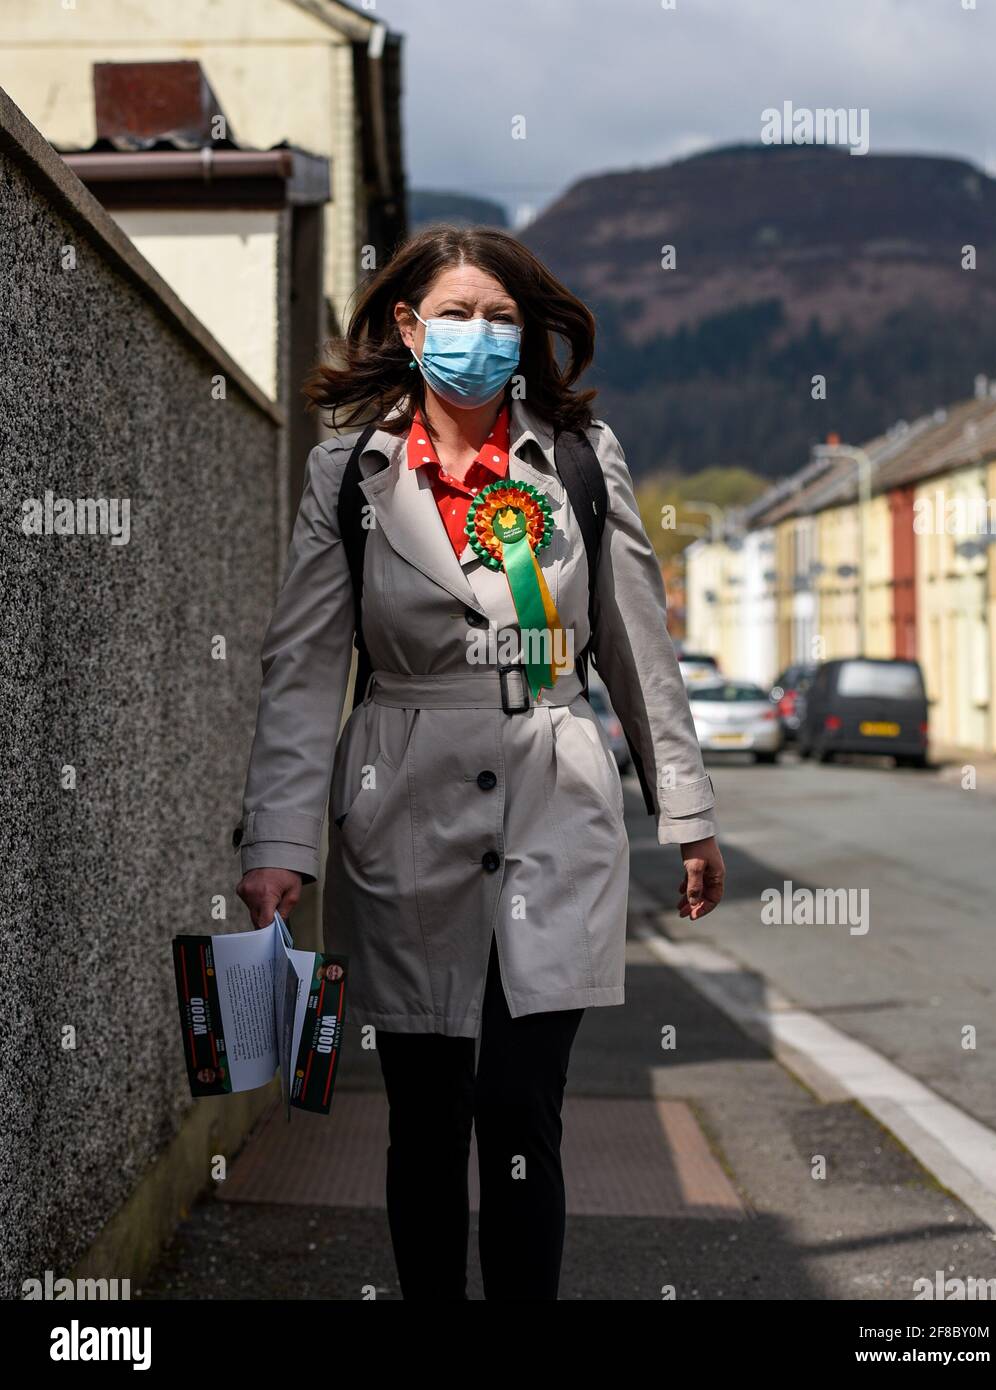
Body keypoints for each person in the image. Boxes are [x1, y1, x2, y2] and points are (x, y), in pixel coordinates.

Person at [234, 224, 725, 1300]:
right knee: (423, 1111)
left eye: (501, 317)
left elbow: (637, 646)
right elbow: (306, 667)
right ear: (408, 328)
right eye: (455, 314)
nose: (480, 336)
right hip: (402, 804)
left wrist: (682, 809)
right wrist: (278, 842)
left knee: (517, 1107)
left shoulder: (582, 461)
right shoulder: (347, 476)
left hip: (555, 797)